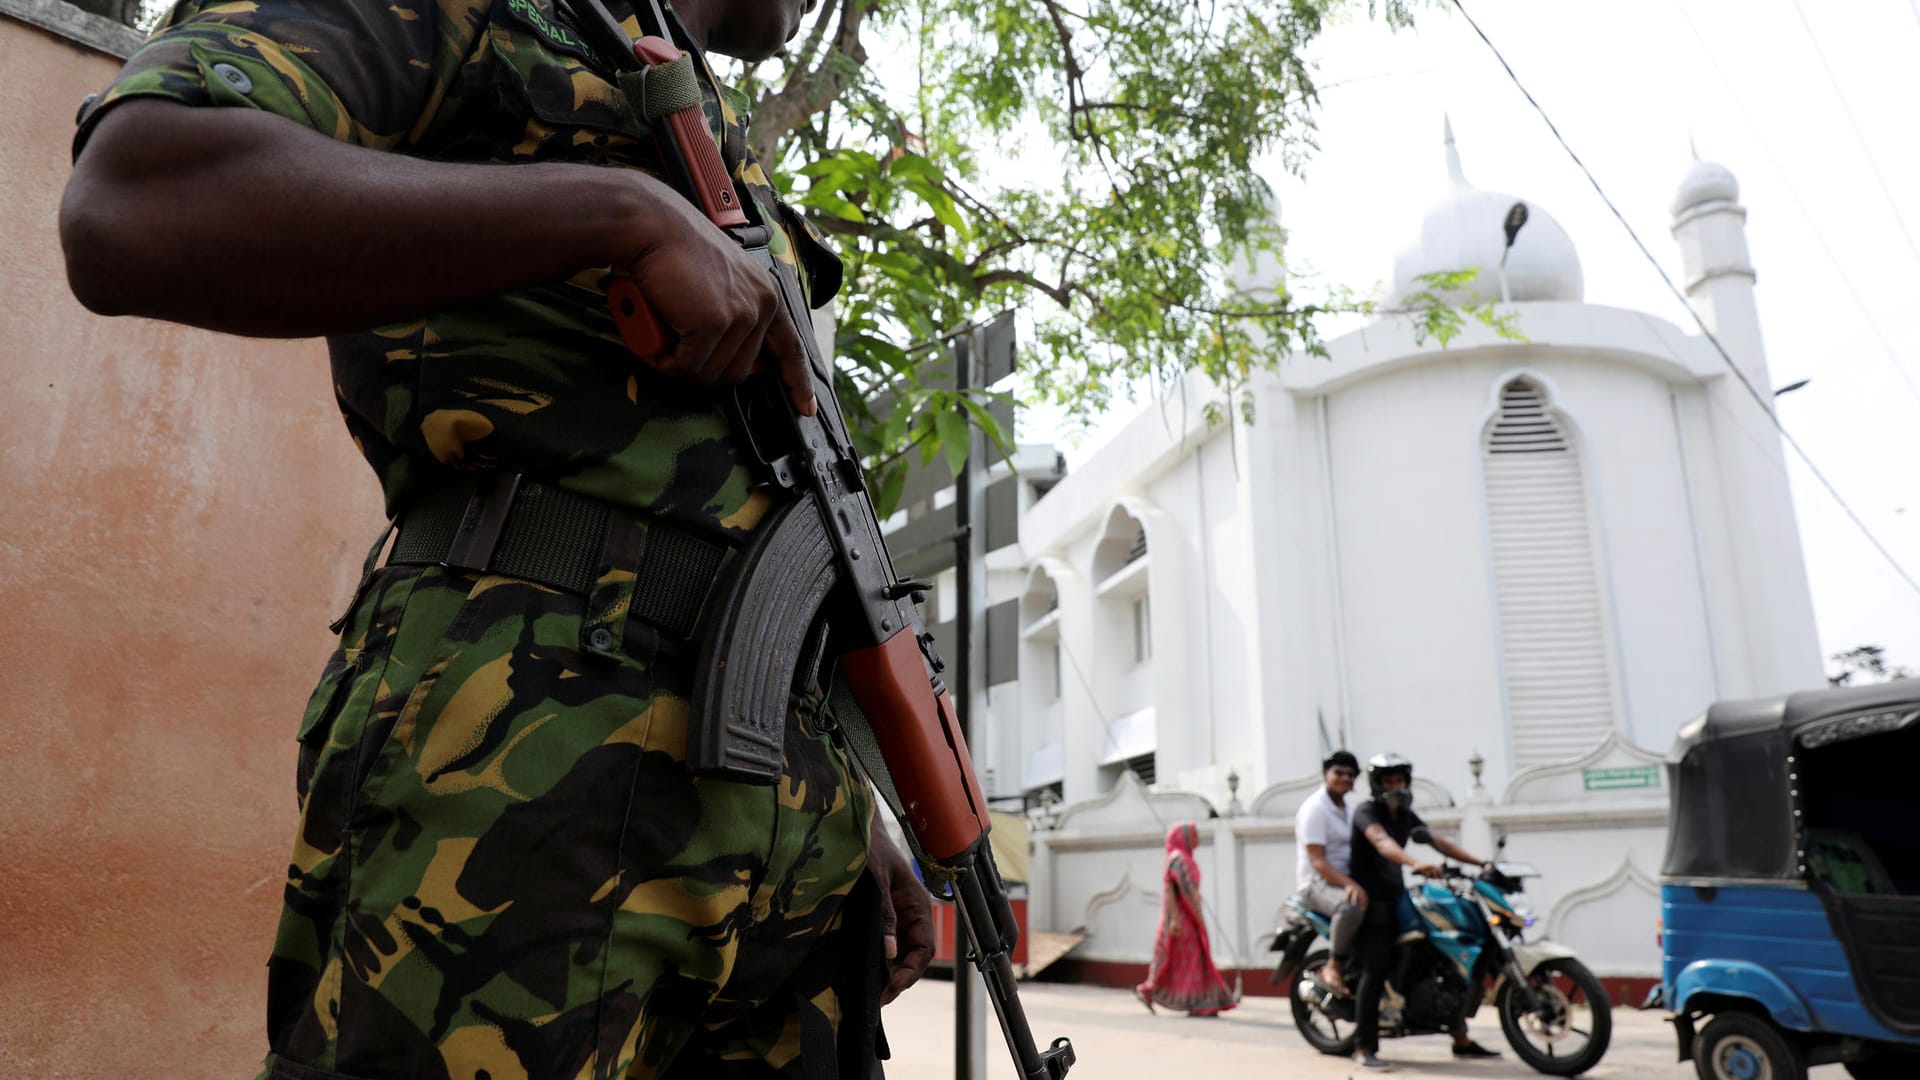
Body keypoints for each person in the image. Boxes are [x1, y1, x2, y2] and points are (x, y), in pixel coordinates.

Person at [57, 0, 934, 1076]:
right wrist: (618, 213)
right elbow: (139, 193)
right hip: (524, 770)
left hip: (777, 820)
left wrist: (837, 787)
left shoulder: (695, 113)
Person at [1347, 753, 1502, 1071]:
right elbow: (1382, 842)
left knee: (1439, 956)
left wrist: (1482, 863)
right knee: (1375, 968)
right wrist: (1415, 863)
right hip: (1370, 900)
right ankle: (1364, 1046)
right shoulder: (1367, 812)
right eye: (1389, 781)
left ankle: (1460, 1039)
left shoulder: (1405, 814)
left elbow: (1437, 841)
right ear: (1377, 784)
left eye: (1400, 780)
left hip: (1397, 895)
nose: (1396, 786)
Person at [1135, 821, 1238, 1017]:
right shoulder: (1178, 859)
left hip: (1187, 918)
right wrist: (1175, 918)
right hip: (1180, 921)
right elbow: (1171, 890)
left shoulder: (1183, 858)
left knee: (1184, 962)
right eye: (1194, 834)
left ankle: (1196, 1000)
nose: (1197, 838)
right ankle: (1160, 993)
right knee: (1180, 962)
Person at [1293, 750, 1365, 996]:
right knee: (1351, 906)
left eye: (1350, 774)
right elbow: (1317, 861)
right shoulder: (1315, 809)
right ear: (1326, 774)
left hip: (1342, 880)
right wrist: (1350, 885)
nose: (1345, 778)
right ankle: (1333, 967)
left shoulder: (1351, 810)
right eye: (1339, 772)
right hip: (1316, 883)